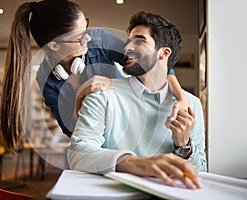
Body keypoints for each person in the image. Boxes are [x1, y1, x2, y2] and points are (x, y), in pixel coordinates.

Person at [0, 0, 188, 152]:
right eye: (79, 36)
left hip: (128, 129)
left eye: (86, 28)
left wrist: (181, 96)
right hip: (95, 148)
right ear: (54, 46)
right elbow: (71, 131)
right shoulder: (46, 78)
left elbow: (148, 61)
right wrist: (80, 97)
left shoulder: (99, 38)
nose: (88, 38)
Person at [67, 11, 207, 189]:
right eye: (128, 42)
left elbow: (201, 173)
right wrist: (133, 163)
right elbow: (78, 153)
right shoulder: (103, 94)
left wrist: (184, 146)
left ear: (163, 53)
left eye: (139, 41)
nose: (126, 49)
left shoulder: (191, 104)